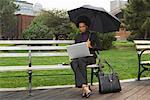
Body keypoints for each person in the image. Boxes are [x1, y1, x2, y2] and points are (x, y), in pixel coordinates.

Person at [70, 19, 100, 98]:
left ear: (86, 26)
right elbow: (76, 48)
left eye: (83, 26)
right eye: (80, 27)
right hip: (80, 57)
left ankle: (84, 87)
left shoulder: (92, 35)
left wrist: (90, 46)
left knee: (80, 61)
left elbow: (99, 47)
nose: (81, 28)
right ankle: (85, 86)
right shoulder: (77, 37)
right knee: (73, 62)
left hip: (90, 57)